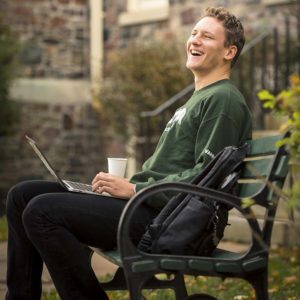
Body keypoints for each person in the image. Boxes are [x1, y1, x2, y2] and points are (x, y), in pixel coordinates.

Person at [5, 6, 252, 300]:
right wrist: (121, 189)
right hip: (148, 207)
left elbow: (204, 180)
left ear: (229, 52)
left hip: (166, 220)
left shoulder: (223, 100)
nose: (195, 40)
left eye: (207, 37)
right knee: (22, 195)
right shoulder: (196, 99)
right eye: (193, 33)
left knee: (42, 211)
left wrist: (135, 188)